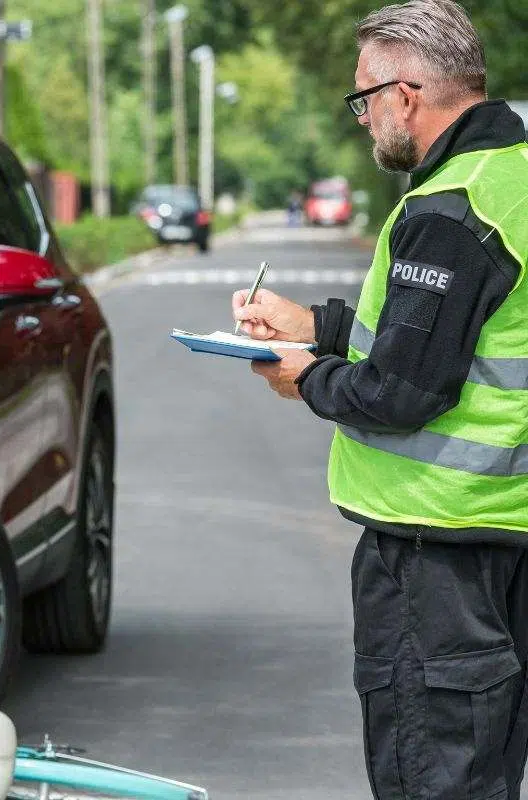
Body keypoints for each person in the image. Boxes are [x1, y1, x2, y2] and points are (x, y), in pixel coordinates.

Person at [230, 2, 528, 798]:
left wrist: (302, 375)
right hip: (507, 534)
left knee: (436, 778)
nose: (363, 118)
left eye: (365, 97)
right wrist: (317, 324)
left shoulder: (452, 208)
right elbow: (455, 332)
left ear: (406, 95)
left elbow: (400, 388)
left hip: (439, 548)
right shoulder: (515, 180)